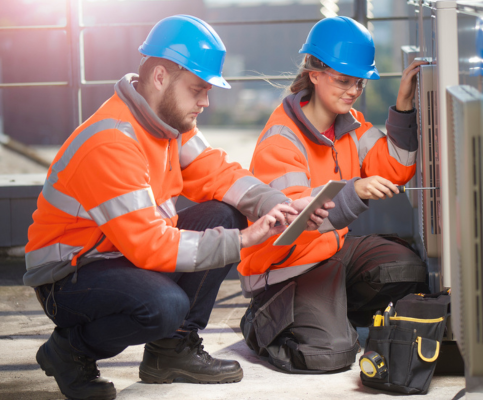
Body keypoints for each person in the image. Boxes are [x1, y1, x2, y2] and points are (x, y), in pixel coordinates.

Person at [24, 15, 331, 400]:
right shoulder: (112, 142)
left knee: (224, 212)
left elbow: (218, 174)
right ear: (160, 78)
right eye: (198, 89)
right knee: (164, 305)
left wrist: (280, 204)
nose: (206, 102)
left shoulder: (168, 124)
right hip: (68, 276)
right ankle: (69, 351)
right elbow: (150, 245)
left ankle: (171, 352)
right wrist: (244, 239)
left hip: (115, 254)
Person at [238, 16, 430, 373]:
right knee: (330, 354)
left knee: (409, 271)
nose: (353, 90)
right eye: (343, 80)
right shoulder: (281, 141)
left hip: (332, 252)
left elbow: (396, 167)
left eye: (359, 82)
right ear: (315, 73)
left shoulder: (351, 124)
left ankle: (329, 311)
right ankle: (262, 322)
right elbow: (296, 226)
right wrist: (354, 192)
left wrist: (403, 105)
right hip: (287, 269)